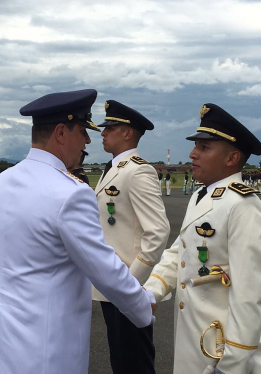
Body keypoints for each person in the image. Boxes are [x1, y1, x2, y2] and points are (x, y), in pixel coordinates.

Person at [0, 89, 155, 374]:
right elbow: (103, 267)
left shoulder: (3, 181)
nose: (88, 141)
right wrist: (143, 307)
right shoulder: (70, 193)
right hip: (44, 348)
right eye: (83, 131)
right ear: (61, 133)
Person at [143, 104, 261, 374]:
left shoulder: (243, 205)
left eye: (204, 147)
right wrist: (152, 290)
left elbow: (247, 295)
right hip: (197, 340)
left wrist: (232, 365)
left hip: (224, 350)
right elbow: (180, 250)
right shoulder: (201, 195)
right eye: (196, 146)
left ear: (231, 158)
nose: (192, 153)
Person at [93, 100, 170, 374]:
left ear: (128, 133)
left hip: (126, 285)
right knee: (121, 360)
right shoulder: (114, 167)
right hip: (113, 285)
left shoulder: (138, 170)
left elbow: (157, 231)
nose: (103, 133)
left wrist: (131, 283)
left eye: (110, 128)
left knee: (134, 363)